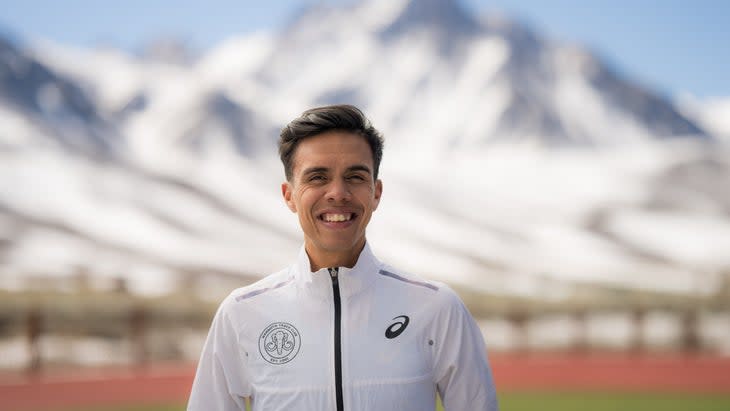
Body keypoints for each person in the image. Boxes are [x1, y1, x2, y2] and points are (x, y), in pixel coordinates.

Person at [187, 105, 498, 411]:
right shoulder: (241, 313)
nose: (338, 192)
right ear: (289, 195)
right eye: (318, 177)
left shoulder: (438, 308)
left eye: (355, 176)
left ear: (376, 192)